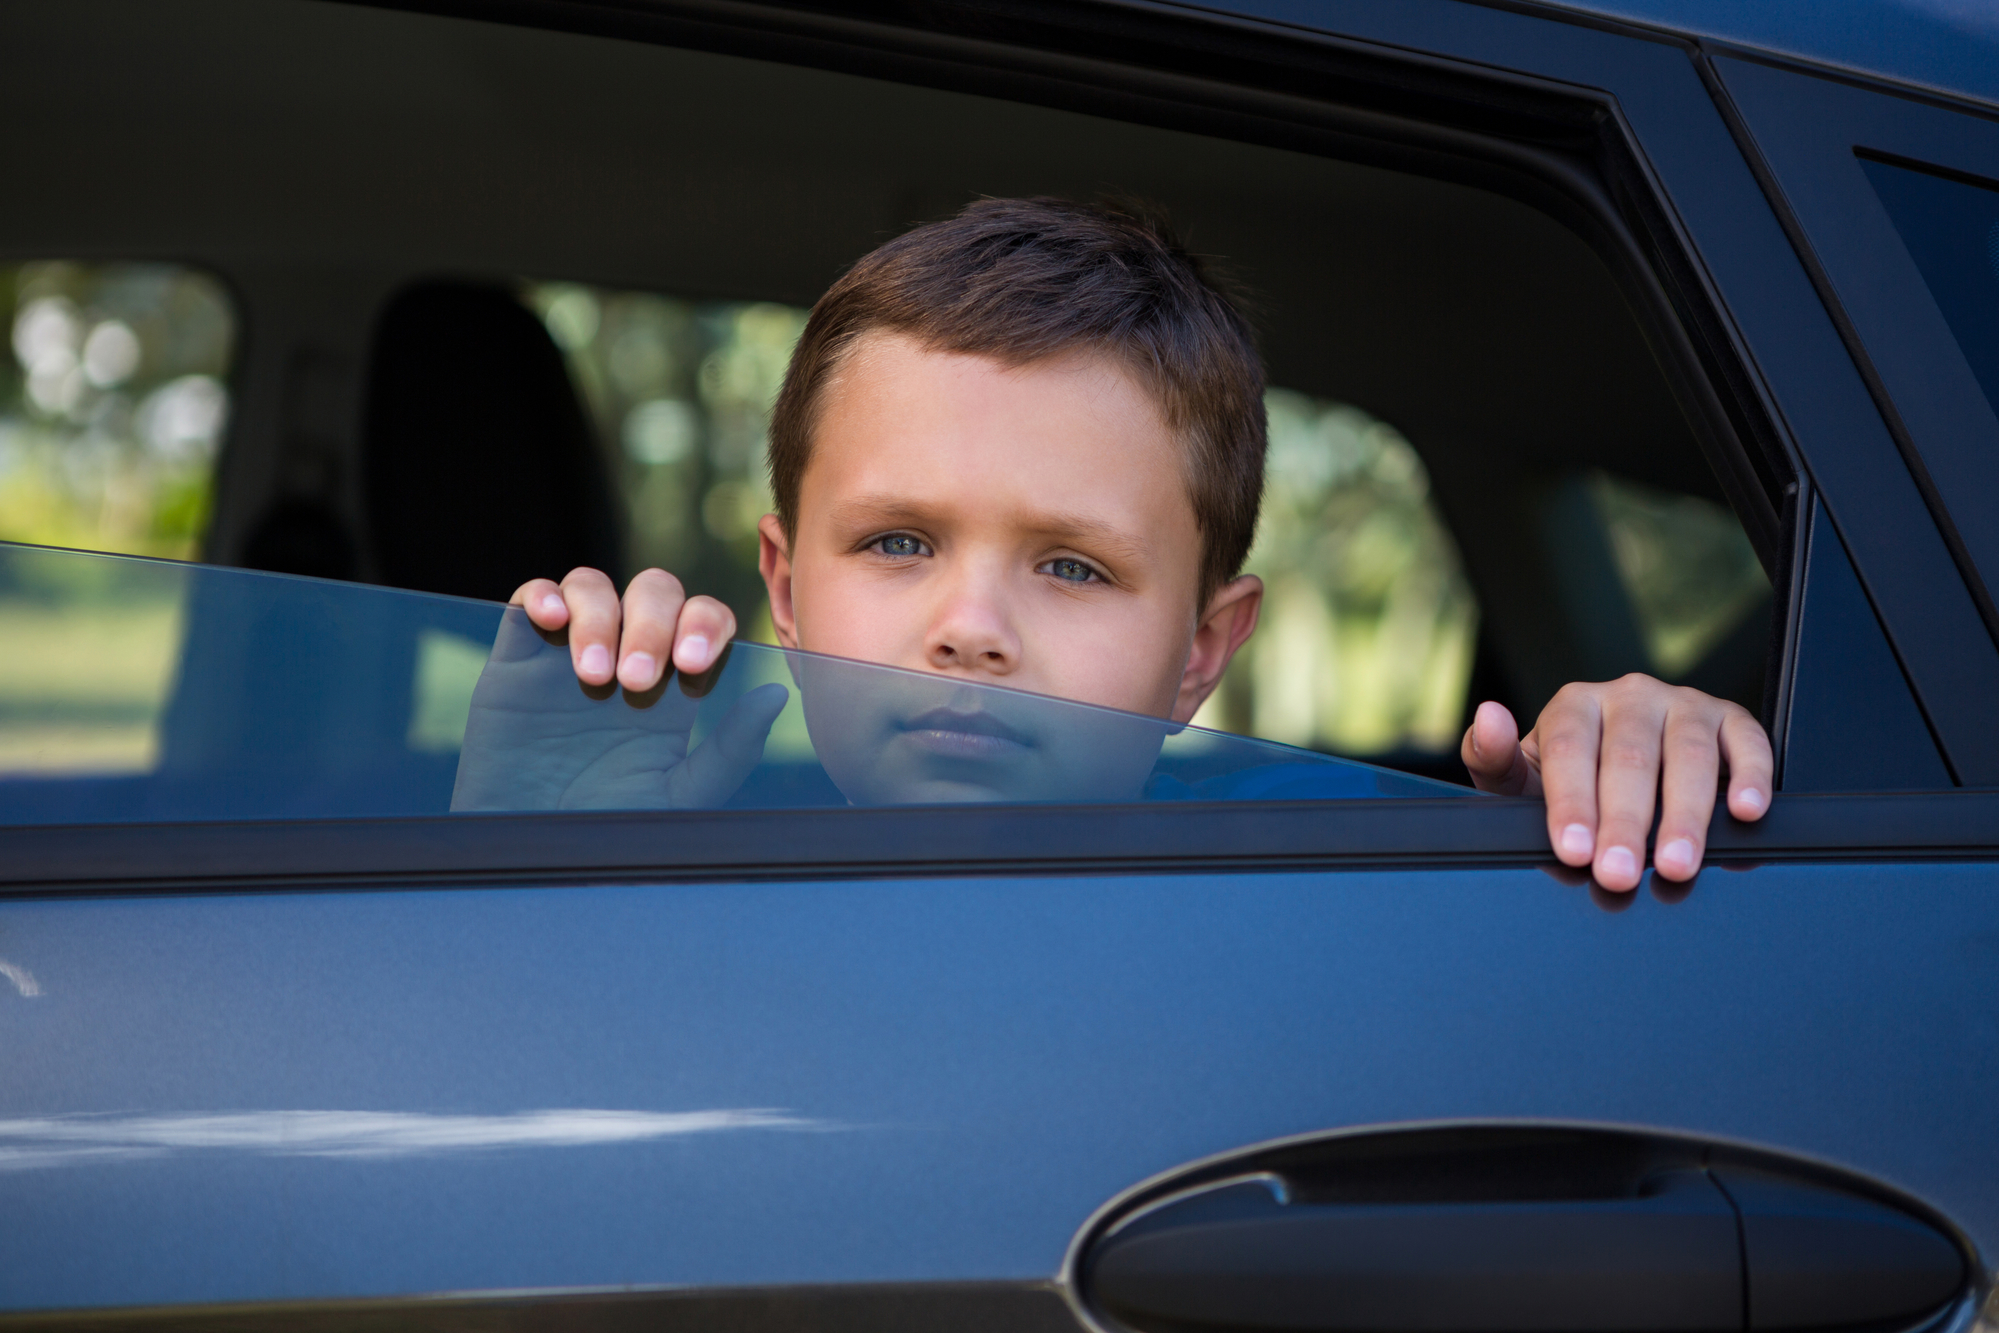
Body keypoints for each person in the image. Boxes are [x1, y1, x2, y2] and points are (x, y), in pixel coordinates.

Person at [469, 197, 1771, 892]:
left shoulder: (1330, 894)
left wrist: (1569, 840)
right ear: (787, 590)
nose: (970, 625)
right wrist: (523, 878)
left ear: (1203, 649)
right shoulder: (676, 883)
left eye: (1075, 566)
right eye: (900, 540)